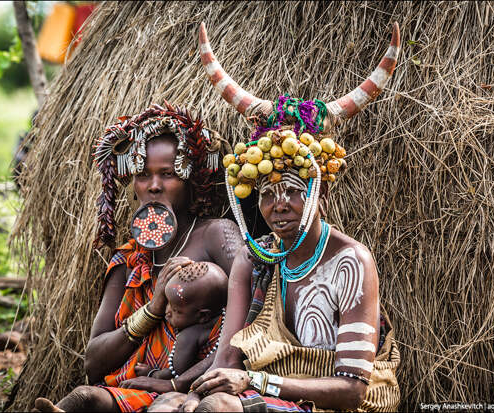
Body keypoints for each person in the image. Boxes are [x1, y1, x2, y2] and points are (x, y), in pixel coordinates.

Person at [156, 22, 403, 412]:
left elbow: (353, 390)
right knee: (173, 405)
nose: (278, 205)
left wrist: (255, 381)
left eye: (292, 190)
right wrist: (185, 395)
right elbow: (227, 362)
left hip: (331, 405)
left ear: (318, 191)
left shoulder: (351, 262)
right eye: (267, 194)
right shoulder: (254, 258)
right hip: (261, 394)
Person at [33, 103, 241, 412]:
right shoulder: (130, 259)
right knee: (84, 397)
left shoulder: (216, 235)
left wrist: (178, 383)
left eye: (168, 174)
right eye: (143, 175)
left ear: (192, 181)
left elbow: (256, 319)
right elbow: (94, 363)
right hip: (133, 389)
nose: (154, 186)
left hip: (197, 388)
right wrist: (155, 307)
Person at [35, 261, 228, 412]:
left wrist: (155, 376)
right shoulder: (219, 320)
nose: (166, 312)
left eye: (175, 310)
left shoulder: (189, 336)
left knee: (84, 397)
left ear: (202, 315)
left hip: (177, 396)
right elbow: (92, 362)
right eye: (167, 303)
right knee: (83, 397)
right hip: (174, 391)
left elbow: (176, 372)